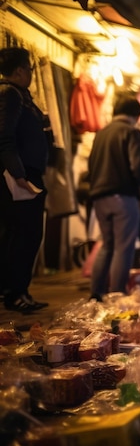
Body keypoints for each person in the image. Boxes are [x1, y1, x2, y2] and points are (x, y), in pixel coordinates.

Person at [87, 94, 140, 301]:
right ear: (136, 115)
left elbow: (92, 166)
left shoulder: (100, 134)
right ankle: (117, 294)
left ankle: (96, 293)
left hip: (99, 197)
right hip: (123, 197)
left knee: (106, 245)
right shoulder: (132, 132)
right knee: (123, 247)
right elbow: (137, 164)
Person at [0, 47, 49, 312]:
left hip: (26, 174)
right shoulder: (10, 93)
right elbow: (5, 138)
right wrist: (19, 175)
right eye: (30, 69)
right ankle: (15, 293)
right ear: (19, 70)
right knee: (25, 234)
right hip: (20, 177)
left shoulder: (20, 95)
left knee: (25, 234)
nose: (31, 73)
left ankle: (19, 292)